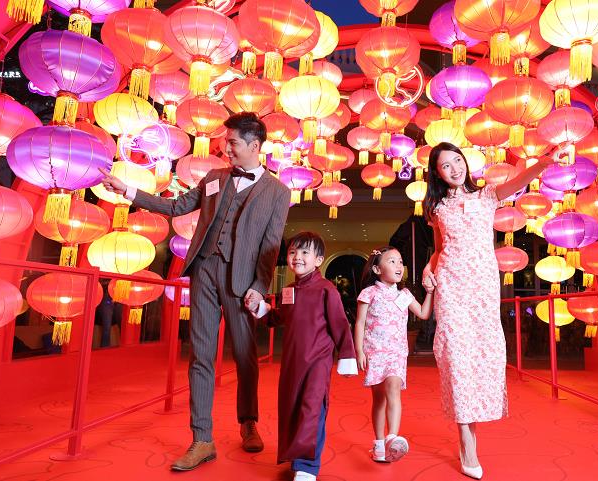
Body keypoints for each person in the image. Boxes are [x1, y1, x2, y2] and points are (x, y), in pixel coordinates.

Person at [98, 112, 291, 471]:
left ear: (254, 145)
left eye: (232, 142)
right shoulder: (215, 178)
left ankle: (248, 421)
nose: (226, 148)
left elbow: (271, 245)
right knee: (201, 356)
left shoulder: (278, 192)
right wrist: (129, 191)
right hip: (204, 271)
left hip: (242, 282)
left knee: (246, 356)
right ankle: (202, 439)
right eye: (226, 142)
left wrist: (259, 287)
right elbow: (176, 207)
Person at [421, 142, 553, 479]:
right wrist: (427, 268)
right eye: (446, 165)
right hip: (451, 286)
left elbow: (518, 181)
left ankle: (473, 423)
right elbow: (439, 250)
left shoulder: (486, 196)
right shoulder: (437, 208)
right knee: (455, 356)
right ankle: (467, 442)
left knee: (482, 355)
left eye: (458, 161)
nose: (455, 169)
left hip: (482, 288)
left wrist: (543, 163)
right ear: (437, 173)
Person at [247, 231, 357, 481]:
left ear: (318, 260)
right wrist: (260, 308)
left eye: (305, 252)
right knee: (292, 408)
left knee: (312, 408)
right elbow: (278, 317)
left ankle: (308, 466)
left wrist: (347, 354)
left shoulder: (327, 290)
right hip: (292, 362)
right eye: (293, 252)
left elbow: (340, 324)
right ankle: (297, 459)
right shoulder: (289, 290)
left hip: (317, 362)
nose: (297, 257)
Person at [354, 246, 434, 463]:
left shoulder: (404, 295)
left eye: (400, 261)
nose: (399, 266)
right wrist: (359, 351)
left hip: (397, 353)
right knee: (379, 400)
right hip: (375, 353)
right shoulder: (369, 293)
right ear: (377, 269)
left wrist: (430, 293)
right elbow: (360, 323)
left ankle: (392, 438)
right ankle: (379, 444)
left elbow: (424, 313)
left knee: (394, 390)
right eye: (392, 261)